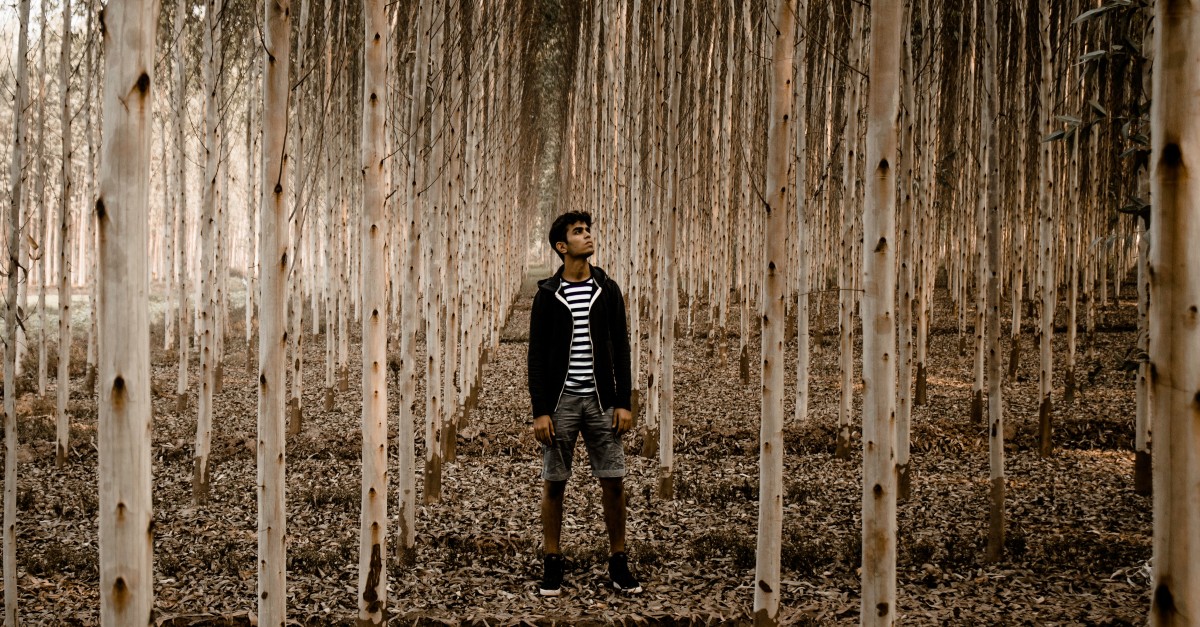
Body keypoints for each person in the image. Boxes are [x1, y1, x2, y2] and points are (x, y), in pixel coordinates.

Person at [527, 211, 641, 596]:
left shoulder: (607, 290)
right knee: (554, 482)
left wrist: (622, 401)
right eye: (578, 232)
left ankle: (619, 561)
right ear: (562, 246)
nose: (587, 236)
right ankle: (552, 561)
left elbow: (621, 347)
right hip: (560, 404)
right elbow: (536, 357)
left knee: (613, 480)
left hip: (600, 402)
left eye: (588, 230)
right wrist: (540, 410)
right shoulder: (546, 296)